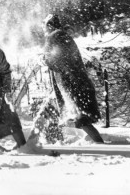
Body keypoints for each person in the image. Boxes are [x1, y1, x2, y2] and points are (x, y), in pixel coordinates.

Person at [28, 14, 104, 144]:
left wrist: (43, 60)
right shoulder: (63, 36)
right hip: (70, 84)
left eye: (44, 26)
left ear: (49, 25)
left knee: (78, 118)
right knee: (66, 115)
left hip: (68, 85)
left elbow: (57, 60)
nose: (43, 29)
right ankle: (31, 143)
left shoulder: (54, 37)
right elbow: (64, 59)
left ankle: (28, 144)